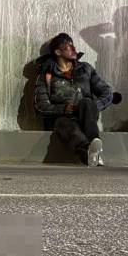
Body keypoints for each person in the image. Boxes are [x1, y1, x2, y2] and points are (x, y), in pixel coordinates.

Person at [34, 33, 114, 167]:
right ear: (58, 52)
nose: (74, 48)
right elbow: (40, 105)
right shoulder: (47, 74)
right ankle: (90, 151)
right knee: (66, 124)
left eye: (73, 45)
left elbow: (107, 93)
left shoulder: (85, 69)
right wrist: (63, 109)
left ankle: (94, 145)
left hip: (86, 116)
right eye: (68, 46)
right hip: (62, 118)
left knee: (87, 103)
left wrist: (92, 107)